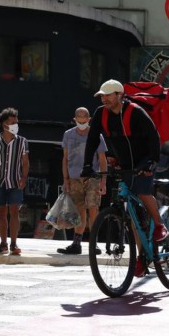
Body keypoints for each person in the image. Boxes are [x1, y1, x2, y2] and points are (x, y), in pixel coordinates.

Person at [82, 79, 167, 278]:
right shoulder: (100, 114)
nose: (103, 98)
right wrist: (87, 165)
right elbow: (93, 140)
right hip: (124, 163)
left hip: (144, 159)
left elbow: (153, 136)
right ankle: (142, 258)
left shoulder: (135, 112)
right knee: (132, 216)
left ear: (119, 95)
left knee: (143, 193)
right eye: (101, 95)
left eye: (107, 95)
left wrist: (152, 161)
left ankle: (160, 226)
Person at [57, 107, 108, 255]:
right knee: (78, 212)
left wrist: (103, 180)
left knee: (93, 210)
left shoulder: (96, 135)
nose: (81, 123)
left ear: (89, 119)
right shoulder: (68, 135)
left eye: (84, 120)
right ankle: (77, 243)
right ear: (74, 120)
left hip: (93, 177)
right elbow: (65, 158)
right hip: (74, 178)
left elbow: (102, 159)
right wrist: (65, 179)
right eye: (78, 120)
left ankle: (94, 243)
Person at [0, 107, 30, 256]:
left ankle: (14, 243)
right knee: (2, 213)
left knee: (14, 212)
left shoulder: (22, 141)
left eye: (16, 122)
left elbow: (25, 162)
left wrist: (23, 178)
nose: (16, 124)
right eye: (13, 122)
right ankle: (3, 244)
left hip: (15, 182)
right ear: (5, 124)